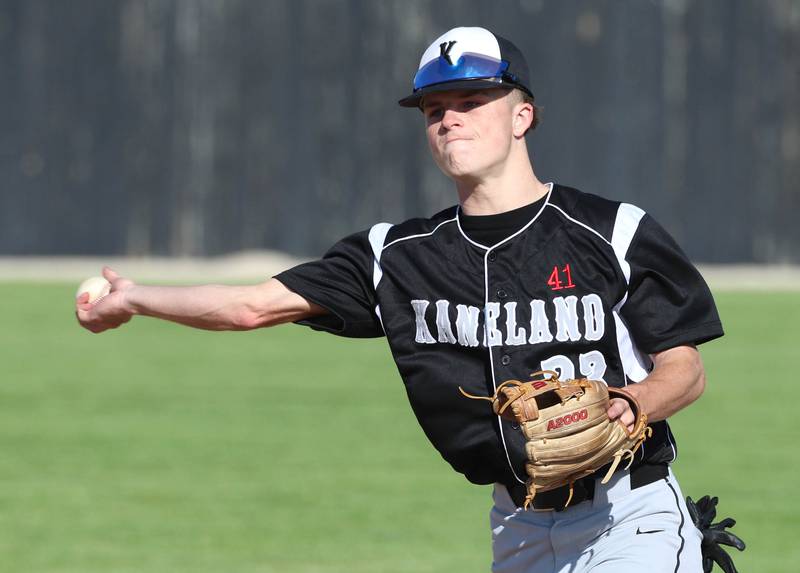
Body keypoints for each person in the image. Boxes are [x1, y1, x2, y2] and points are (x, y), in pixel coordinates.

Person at [77, 26, 723, 572]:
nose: (449, 118)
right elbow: (253, 305)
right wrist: (136, 298)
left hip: (627, 513)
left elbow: (685, 367)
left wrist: (632, 401)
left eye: (471, 99)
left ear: (522, 115)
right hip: (518, 526)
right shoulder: (398, 257)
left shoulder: (611, 232)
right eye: (434, 107)